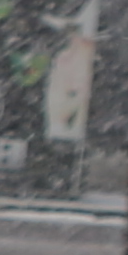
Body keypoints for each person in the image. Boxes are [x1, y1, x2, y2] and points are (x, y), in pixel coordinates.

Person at [37, 19, 98, 199]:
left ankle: (62, 181)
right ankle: (59, 180)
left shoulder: (81, 53)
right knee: (58, 142)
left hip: (66, 106)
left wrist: (70, 104)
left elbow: (78, 86)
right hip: (59, 104)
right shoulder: (67, 55)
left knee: (63, 144)